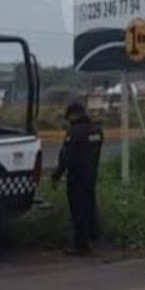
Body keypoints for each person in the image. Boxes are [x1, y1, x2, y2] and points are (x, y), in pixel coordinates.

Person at [51, 102, 103, 256]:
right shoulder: (96, 130)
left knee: (78, 210)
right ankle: (93, 238)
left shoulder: (74, 132)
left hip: (77, 176)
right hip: (91, 174)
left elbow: (66, 157)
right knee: (89, 207)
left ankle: (81, 245)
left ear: (73, 115)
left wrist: (57, 175)